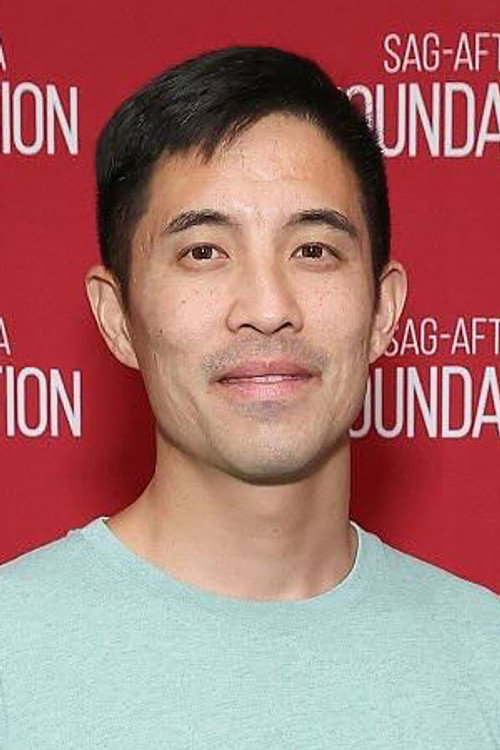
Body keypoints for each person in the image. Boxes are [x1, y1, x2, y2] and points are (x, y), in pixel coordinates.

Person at [1, 46, 498, 749]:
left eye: (314, 250)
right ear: (117, 318)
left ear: (383, 310)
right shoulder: (13, 656)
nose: (268, 309)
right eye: (204, 252)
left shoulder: (485, 661)